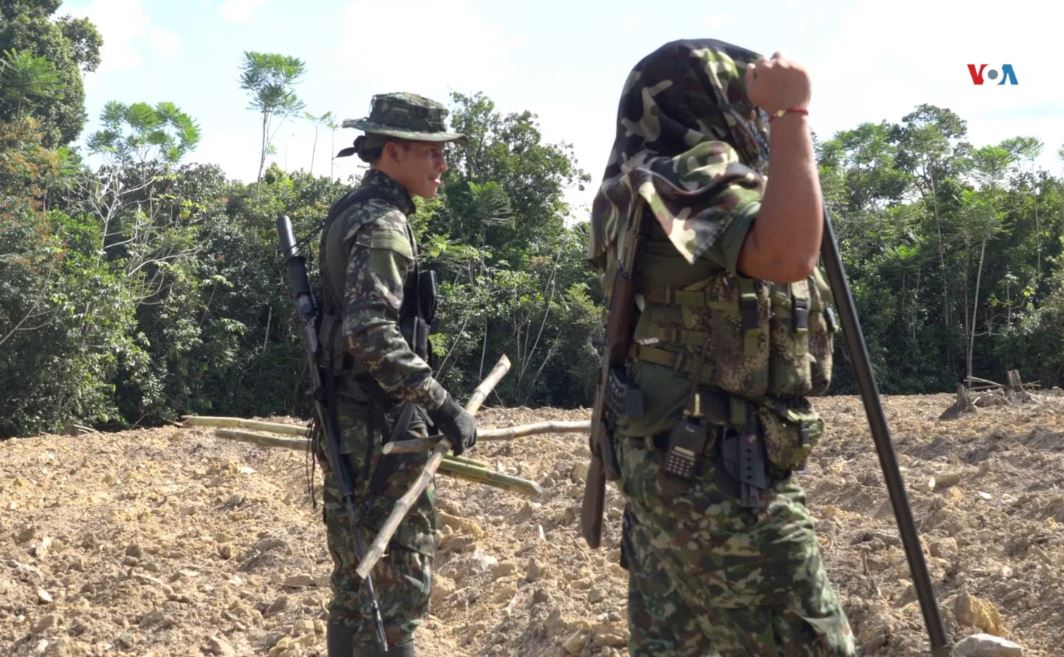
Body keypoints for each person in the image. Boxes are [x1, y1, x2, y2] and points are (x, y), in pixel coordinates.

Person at [589, 39, 856, 656]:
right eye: (748, 104)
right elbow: (787, 254)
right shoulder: (682, 175)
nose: (756, 119)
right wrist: (792, 119)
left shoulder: (636, 182)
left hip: (677, 454)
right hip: (717, 470)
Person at [316, 92, 477, 657]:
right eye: (432, 152)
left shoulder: (354, 210)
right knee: (398, 583)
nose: (443, 165)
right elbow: (371, 334)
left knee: (356, 580)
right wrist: (442, 404)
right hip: (381, 428)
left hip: (350, 419)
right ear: (392, 152)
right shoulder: (384, 224)